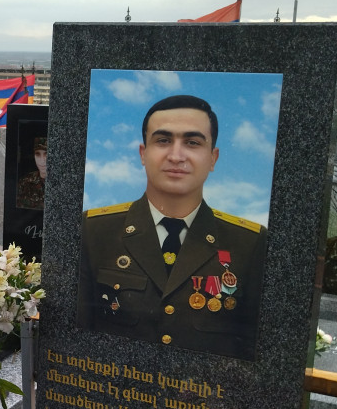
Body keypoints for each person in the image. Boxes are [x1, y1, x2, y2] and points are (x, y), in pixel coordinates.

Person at [77, 95, 267, 361]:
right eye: (163, 140)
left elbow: (253, 351)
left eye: (192, 142)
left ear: (213, 158)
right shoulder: (95, 232)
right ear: (143, 154)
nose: (176, 156)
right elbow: (78, 339)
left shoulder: (249, 243)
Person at [17, 136, 47, 209]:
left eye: (46, 154)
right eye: (38, 154)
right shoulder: (25, 182)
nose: (42, 160)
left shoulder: (61, 183)